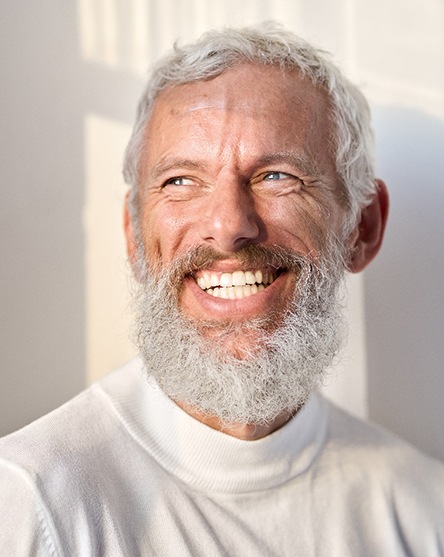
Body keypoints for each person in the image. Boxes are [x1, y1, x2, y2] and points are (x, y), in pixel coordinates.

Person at [0, 23, 443, 556]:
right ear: (135, 238)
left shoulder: (423, 512)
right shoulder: (32, 503)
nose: (229, 225)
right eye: (181, 182)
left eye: (278, 176)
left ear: (363, 228)